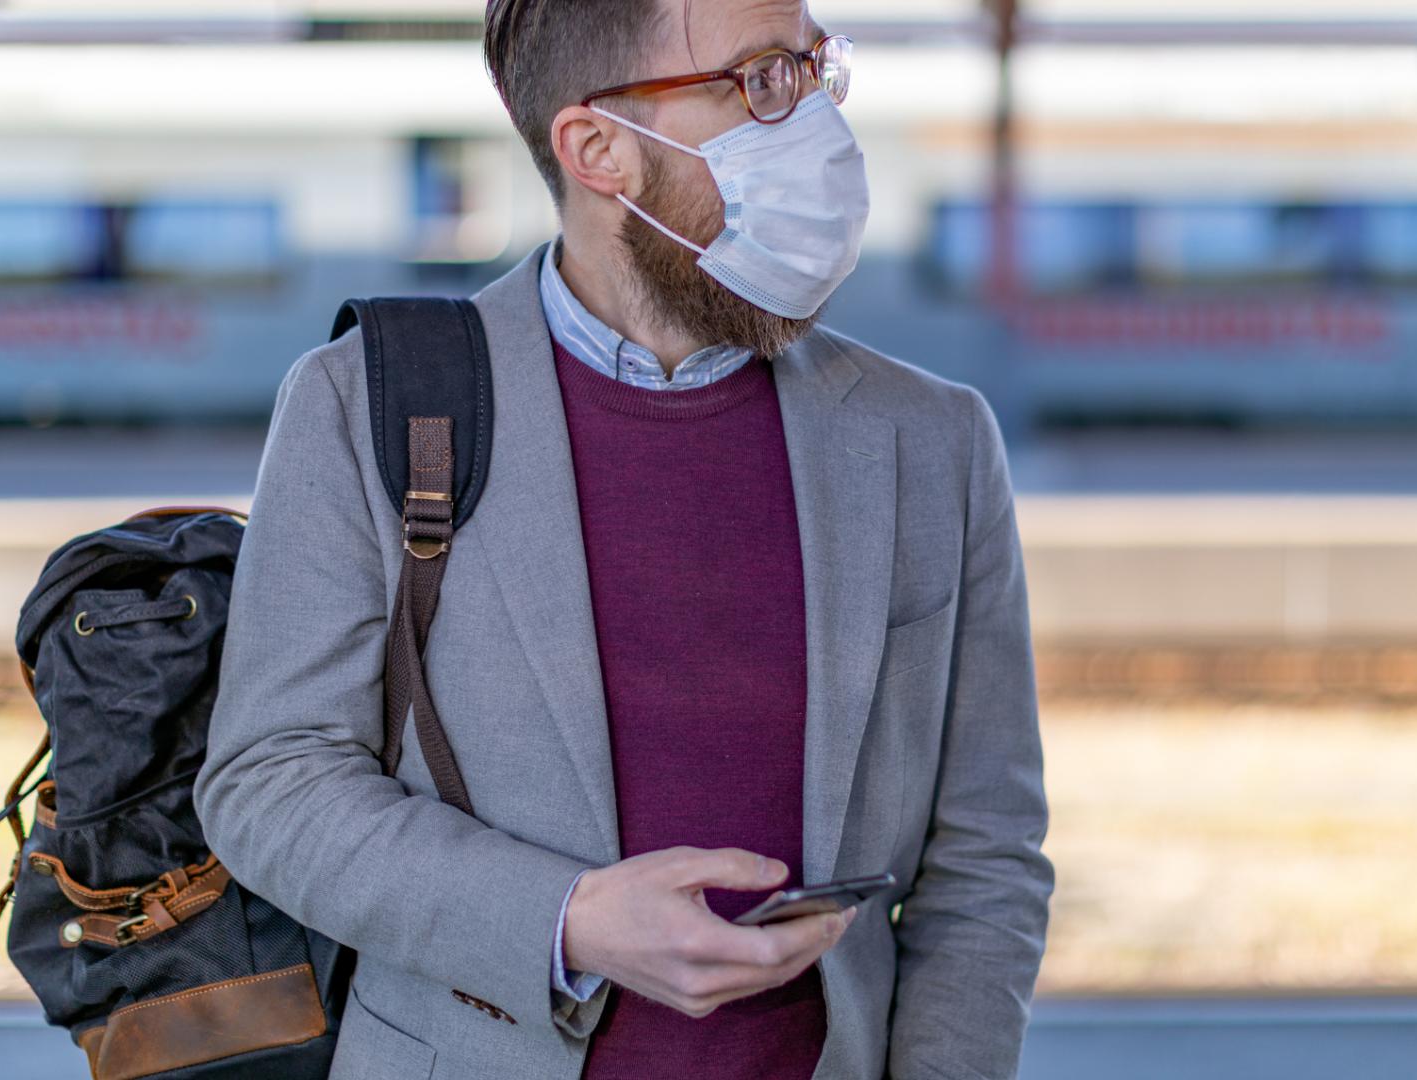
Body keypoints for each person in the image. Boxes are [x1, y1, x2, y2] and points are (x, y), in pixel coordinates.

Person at [191, 0, 1055, 1076]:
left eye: (812, 70)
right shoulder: (361, 403)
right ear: (597, 149)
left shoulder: (930, 440)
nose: (816, 128)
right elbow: (270, 781)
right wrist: (569, 921)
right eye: (758, 84)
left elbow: (984, 857)